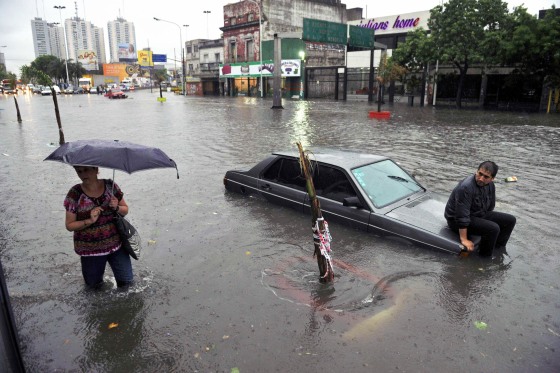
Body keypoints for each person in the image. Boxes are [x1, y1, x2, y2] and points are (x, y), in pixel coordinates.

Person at [64, 166, 133, 288]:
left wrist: (116, 207)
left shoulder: (110, 187)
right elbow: (69, 225)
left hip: (117, 246)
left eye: (86, 170)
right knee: (94, 289)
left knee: (128, 285)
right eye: (79, 171)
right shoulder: (74, 193)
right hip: (90, 251)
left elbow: (125, 210)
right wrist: (89, 220)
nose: (82, 174)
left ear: (96, 170)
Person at [444, 161, 516, 257]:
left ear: (492, 179)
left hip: (477, 214)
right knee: (493, 229)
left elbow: (490, 207)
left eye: (486, 177)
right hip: (456, 221)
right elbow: (461, 216)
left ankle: (498, 250)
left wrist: (484, 222)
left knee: (510, 220)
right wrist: (464, 239)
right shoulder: (466, 187)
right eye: (480, 174)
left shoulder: (490, 186)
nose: (481, 178)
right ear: (476, 171)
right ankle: (484, 260)